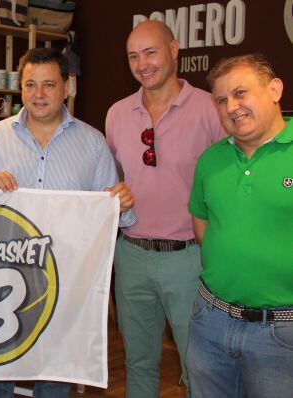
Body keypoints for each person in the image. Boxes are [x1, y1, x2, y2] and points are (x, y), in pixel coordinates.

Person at [0, 48, 135, 398]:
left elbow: (109, 214)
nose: (38, 94)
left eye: (48, 84)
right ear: (21, 88)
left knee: (55, 370)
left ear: (66, 88)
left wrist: (120, 202)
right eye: (30, 84)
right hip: (0, 272)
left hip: (64, 279)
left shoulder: (92, 144)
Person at [104, 20, 225, 397]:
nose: (142, 64)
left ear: (174, 50)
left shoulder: (210, 109)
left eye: (151, 52)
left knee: (198, 367)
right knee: (138, 364)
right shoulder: (117, 114)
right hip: (131, 256)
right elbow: (114, 175)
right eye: (133, 56)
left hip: (189, 259)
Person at [187, 53, 293, 398]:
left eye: (241, 93)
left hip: (282, 331)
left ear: (275, 89)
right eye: (221, 99)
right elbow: (202, 225)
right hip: (210, 321)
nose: (231, 106)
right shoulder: (211, 159)